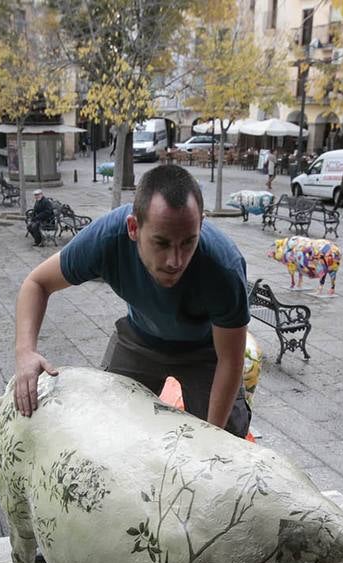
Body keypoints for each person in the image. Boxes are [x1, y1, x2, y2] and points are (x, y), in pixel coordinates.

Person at [13, 164, 252, 438]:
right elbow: (36, 283)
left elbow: (230, 361)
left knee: (228, 437)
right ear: (133, 228)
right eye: (161, 243)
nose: (175, 261)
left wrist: (214, 440)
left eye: (188, 242)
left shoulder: (223, 267)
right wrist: (25, 353)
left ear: (202, 224)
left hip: (206, 349)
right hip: (140, 338)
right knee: (105, 426)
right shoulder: (106, 239)